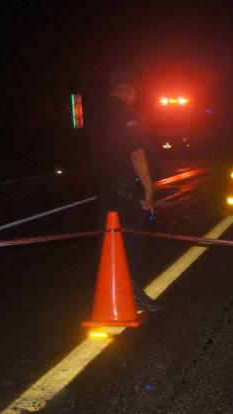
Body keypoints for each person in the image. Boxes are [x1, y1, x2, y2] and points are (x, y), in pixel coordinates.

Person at [88, 69, 158, 312]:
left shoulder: (98, 114)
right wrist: (149, 193)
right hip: (123, 188)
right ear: (130, 90)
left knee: (108, 239)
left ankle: (109, 290)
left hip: (103, 187)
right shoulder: (126, 113)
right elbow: (137, 154)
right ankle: (134, 291)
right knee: (133, 237)